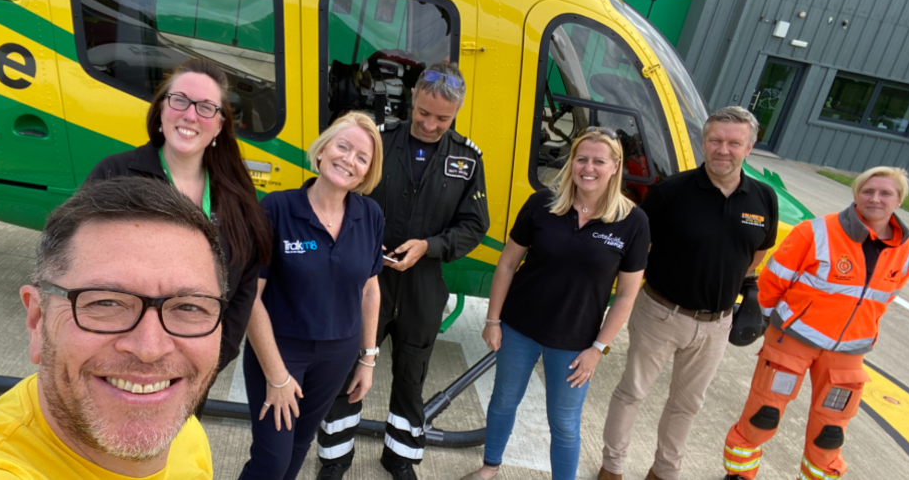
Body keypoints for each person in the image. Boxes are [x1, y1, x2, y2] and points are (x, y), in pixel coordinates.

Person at [0, 177, 224, 478]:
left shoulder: (183, 429)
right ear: (37, 320)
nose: (150, 348)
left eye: (189, 307)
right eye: (105, 303)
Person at [317, 62, 489, 480]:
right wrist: (358, 239)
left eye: (442, 118)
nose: (430, 124)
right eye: (424, 112)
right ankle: (335, 458)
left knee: (412, 378)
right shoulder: (377, 142)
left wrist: (431, 247)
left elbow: (474, 225)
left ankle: (401, 456)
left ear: (457, 113)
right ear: (413, 97)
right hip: (366, 281)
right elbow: (342, 194)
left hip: (423, 286)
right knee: (347, 370)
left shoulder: (467, 160)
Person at [599, 106, 779, 480]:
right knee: (632, 392)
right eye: (715, 140)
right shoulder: (670, 193)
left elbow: (757, 252)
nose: (723, 150)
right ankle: (612, 468)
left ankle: (664, 472)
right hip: (660, 314)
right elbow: (637, 251)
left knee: (687, 404)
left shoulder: (764, 199)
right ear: (703, 142)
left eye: (734, 143)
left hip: (716, 324)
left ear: (750, 146)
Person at [460, 127, 649, 480]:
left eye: (598, 161)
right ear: (572, 162)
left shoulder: (633, 222)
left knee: (563, 422)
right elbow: (507, 263)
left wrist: (598, 348)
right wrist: (493, 319)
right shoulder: (542, 204)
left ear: (615, 166)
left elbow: (626, 295)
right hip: (520, 327)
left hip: (576, 341)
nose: (588, 168)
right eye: (582, 159)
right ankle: (490, 466)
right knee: (503, 403)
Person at [88, 58, 272, 387]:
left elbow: (243, 287)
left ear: (219, 125)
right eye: (180, 100)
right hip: (116, 361)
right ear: (161, 110)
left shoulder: (237, 198)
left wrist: (212, 359)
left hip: (186, 373)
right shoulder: (114, 176)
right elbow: (76, 264)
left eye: (205, 107)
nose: (190, 114)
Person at [721, 167, 909, 480]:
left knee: (831, 430)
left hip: (849, 352)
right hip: (793, 341)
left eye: (885, 193)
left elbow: (884, 299)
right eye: (868, 191)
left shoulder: (906, 251)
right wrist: (774, 321)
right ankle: (739, 474)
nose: (875, 199)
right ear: (856, 194)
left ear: (898, 201)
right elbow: (772, 281)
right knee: (764, 414)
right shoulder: (816, 232)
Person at [239, 112, 386, 480]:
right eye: (343, 146)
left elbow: (370, 288)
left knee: (299, 448)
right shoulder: (277, 208)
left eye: (362, 157)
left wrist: (367, 359)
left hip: (338, 354)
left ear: (367, 173)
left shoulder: (370, 215)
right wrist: (276, 375)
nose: (349, 160)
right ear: (321, 152)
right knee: (271, 460)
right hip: (280, 351)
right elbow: (250, 297)